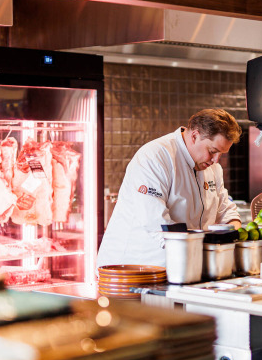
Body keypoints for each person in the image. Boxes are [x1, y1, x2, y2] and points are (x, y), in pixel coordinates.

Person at [97, 108, 242, 267]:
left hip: (182, 266)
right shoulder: (155, 157)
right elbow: (155, 221)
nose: (216, 160)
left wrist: (233, 230)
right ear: (194, 136)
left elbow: (224, 209)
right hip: (133, 266)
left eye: (221, 154)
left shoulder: (213, 168)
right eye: (212, 151)